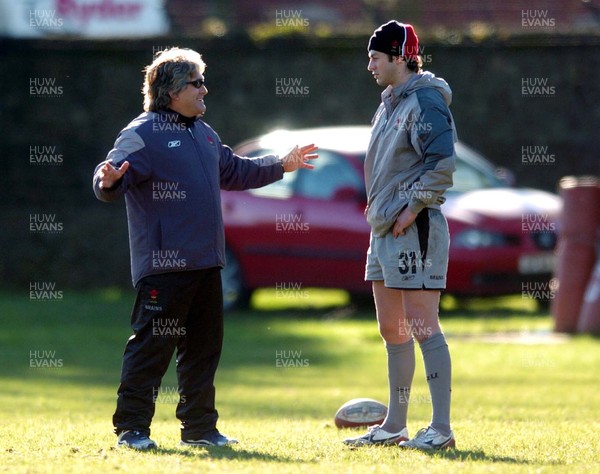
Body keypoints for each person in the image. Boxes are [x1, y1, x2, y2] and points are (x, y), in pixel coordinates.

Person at [92, 47, 317, 451]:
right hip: (164, 267)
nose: (204, 90)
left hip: (206, 263)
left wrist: (283, 164)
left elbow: (236, 171)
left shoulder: (205, 133)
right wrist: (106, 181)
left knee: (202, 351)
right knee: (152, 348)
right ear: (171, 90)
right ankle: (132, 429)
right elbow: (110, 176)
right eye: (197, 83)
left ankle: (199, 428)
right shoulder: (141, 133)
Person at [343, 21, 457, 450]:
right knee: (392, 329)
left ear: (398, 57)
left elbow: (442, 163)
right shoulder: (389, 101)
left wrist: (411, 209)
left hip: (414, 227)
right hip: (385, 229)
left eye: (375, 57)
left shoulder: (426, 100)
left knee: (424, 326)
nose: (369, 65)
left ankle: (441, 429)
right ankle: (395, 425)